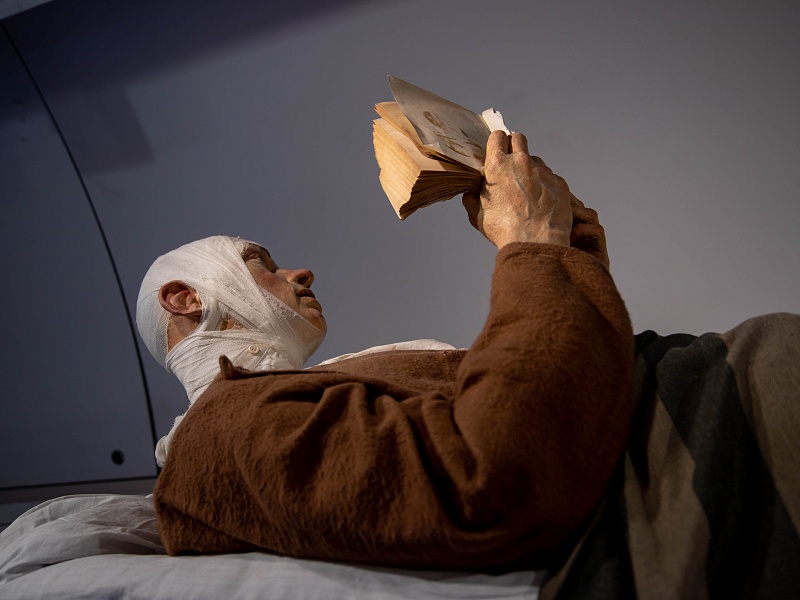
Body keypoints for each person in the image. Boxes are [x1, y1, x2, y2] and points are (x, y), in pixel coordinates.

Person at [137, 130, 635, 574]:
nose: (301, 272)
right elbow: (492, 478)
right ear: (186, 299)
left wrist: (573, 264)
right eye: (261, 263)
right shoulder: (219, 431)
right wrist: (534, 246)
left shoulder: (291, 397)